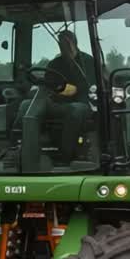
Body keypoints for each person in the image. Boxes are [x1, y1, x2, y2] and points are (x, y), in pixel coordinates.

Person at [20, 29, 97, 168]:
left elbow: (88, 86)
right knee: (26, 106)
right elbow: (48, 82)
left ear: (74, 43)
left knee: (75, 110)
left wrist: (66, 88)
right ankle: (19, 149)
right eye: (61, 44)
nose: (63, 46)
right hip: (55, 102)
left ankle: (66, 156)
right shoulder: (55, 64)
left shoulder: (87, 61)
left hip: (80, 102)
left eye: (66, 43)